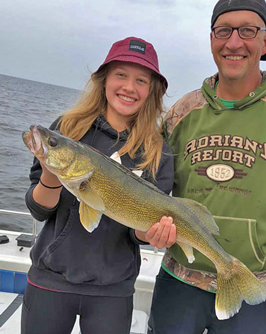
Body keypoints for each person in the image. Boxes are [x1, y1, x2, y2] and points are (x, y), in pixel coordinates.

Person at [147, 0, 266, 334]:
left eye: (247, 30)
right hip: (179, 279)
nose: (234, 42)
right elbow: (153, 189)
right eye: (223, 30)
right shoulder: (181, 113)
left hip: (253, 284)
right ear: (212, 39)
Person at [21, 36, 176, 334]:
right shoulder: (67, 129)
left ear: (152, 91)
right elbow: (39, 210)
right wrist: (51, 175)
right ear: (103, 80)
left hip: (113, 292)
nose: (129, 87)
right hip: (50, 280)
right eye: (120, 75)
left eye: (141, 80)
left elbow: (140, 235)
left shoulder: (158, 152)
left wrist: (154, 233)